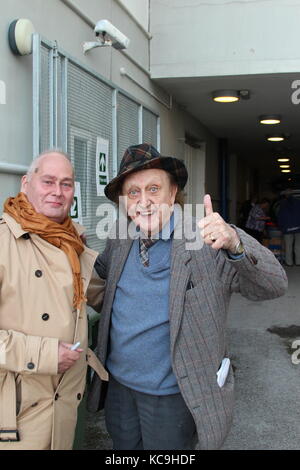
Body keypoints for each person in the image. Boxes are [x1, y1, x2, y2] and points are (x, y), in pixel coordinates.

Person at [88, 143, 287, 450]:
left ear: (172, 193)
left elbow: (273, 285)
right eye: (133, 193)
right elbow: (100, 275)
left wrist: (235, 244)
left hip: (172, 396)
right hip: (119, 389)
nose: (144, 201)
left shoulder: (207, 239)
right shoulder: (120, 236)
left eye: (154, 189)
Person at [0, 150, 107, 450]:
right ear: (25, 184)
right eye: (48, 181)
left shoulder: (75, 245)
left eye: (66, 184)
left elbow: (114, 296)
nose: (57, 192)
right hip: (14, 416)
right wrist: (45, 354)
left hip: (64, 410)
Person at [277, 189, 300, 266]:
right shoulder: (298, 202)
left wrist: (280, 227)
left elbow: (280, 217)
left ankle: (289, 263)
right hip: (298, 228)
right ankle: (298, 262)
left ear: (286, 195)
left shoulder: (282, 204)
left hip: (287, 229)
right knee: (298, 246)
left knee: (288, 246)